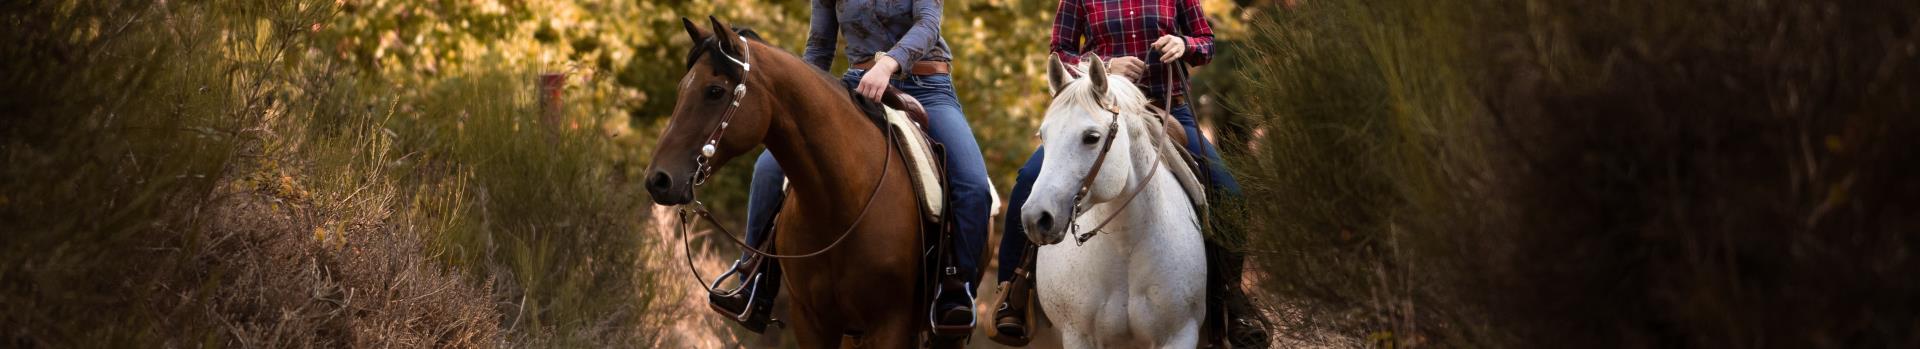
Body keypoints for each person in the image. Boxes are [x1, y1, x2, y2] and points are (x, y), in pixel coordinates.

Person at [990, 0, 1269, 345]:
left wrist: (1184, 45)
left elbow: (1206, 42)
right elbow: (1059, 54)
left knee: (1229, 191)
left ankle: (1232, 299)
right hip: (1100, 111)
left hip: (1167, 109)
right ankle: (1013, 292)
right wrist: (1107, 65)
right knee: (1028, 181)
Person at [705, 0, 993, 333]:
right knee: (768, 170)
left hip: (927, 88)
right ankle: (752, 281)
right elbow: (819, 48)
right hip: (856, 87)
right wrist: (797, 96)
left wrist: (888, 66)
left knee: (973, 185)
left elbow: (928, 25)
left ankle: (955, 290)